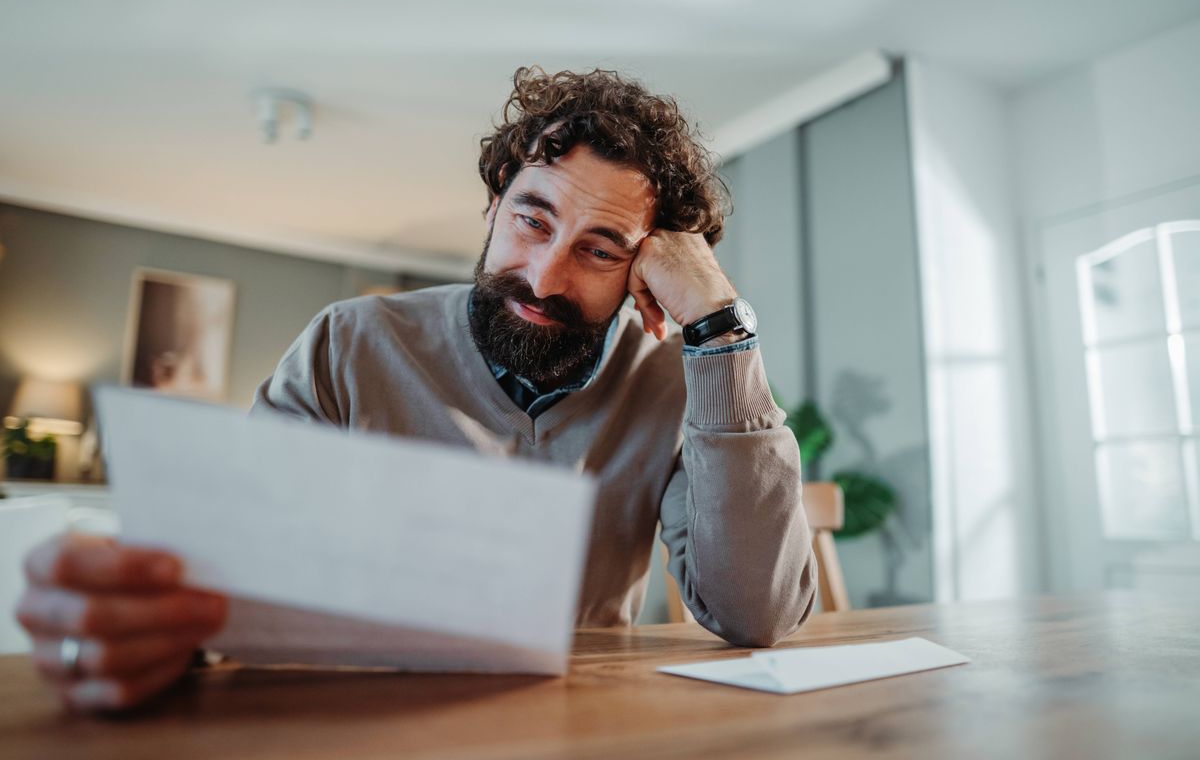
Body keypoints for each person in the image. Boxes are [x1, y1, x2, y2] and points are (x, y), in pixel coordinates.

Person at [16, 67, 818, 712]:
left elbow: (757, 613)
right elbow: (228, 575)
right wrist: (143, 623)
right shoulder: (348, 342)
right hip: (352, 716)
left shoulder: (673, 386)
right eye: (532, 220)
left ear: (645, 273)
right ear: (495, 200)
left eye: (600, 250)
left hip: (575, 721)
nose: (544, 276)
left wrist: (719, 327)